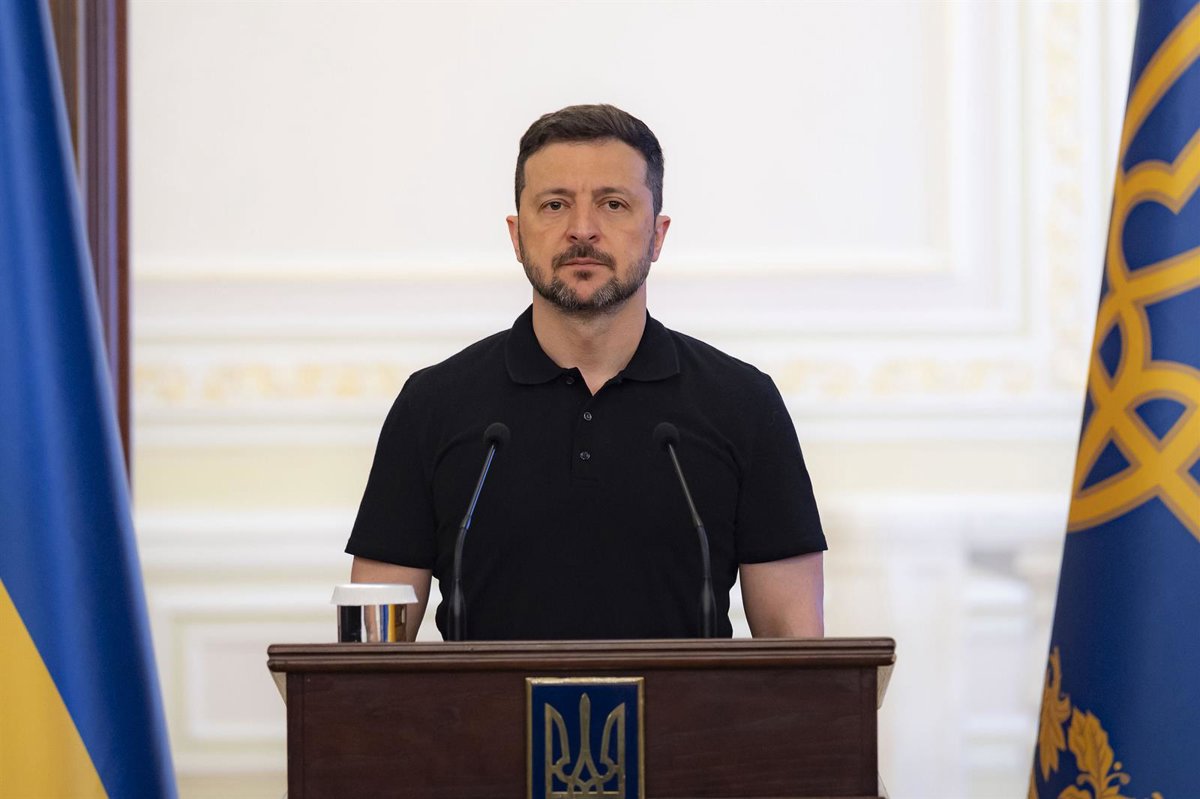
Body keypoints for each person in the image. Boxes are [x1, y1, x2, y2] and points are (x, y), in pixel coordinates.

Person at [346, 104, 825, 640]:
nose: (582, 230)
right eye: (554, 205)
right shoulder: (432, 404)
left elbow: (797, 650)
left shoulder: (744, 403)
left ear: (658, 235)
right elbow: (370, 653)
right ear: (516, 236)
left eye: (613, 204)